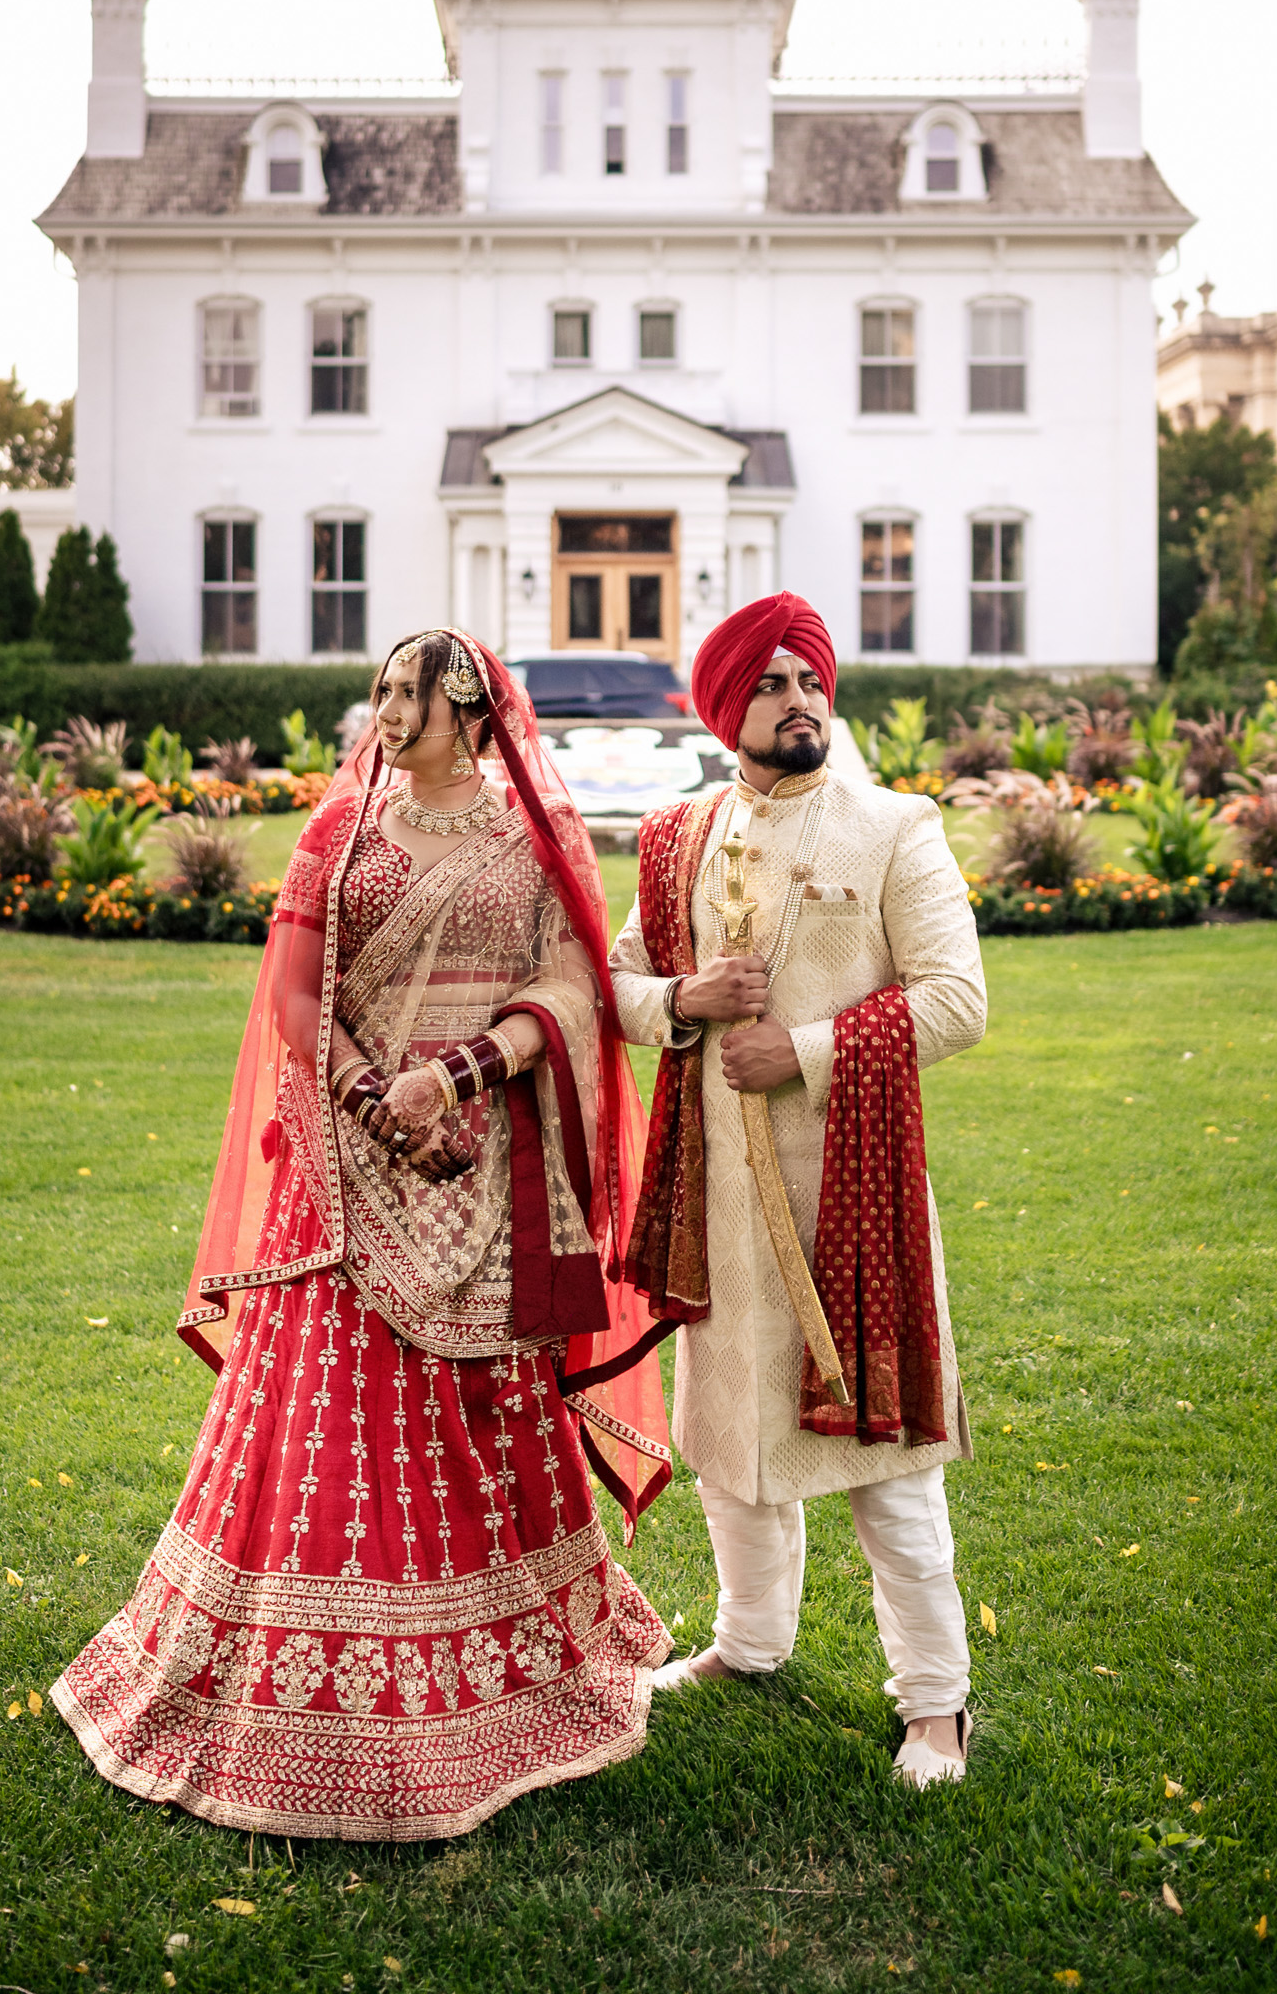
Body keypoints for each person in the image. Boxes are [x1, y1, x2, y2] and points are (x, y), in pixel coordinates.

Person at [53, 632, 672, 1841]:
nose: (385, 707)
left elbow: (570, 992)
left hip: (486, 1158)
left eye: (409, 691)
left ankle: (507, 1680)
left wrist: (454, 1081)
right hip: (345, 1171)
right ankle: (286, 1691)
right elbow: (291, 996)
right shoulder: (338, 834)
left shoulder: (534, 839)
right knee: (323, 1412)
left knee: (483, 1410)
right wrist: (370, 1102)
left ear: (473, 710)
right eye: (382, 687)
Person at [607, 592, 987, 1786]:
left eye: (810, 680)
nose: (800, 700)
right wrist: (681, 1005)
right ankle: (749, 1643)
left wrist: (808, 1052)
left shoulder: (892, 827)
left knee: (884, 1456)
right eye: (770, 685)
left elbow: (958, 1001)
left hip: (850, 1206)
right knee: (733, 1442)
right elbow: (616, 980)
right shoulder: (673, 839)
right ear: (729, 708)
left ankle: (936, 1702)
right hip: (716, 1198)